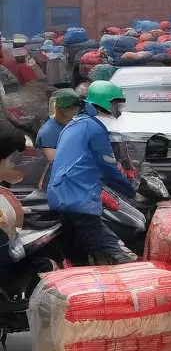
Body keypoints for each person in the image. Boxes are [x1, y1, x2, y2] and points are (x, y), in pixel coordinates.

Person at [47, 80, 137, 264]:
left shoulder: (77, 123)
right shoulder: (94, 128)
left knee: (79, 253)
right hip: (79, 197)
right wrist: (131, 191)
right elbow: (108, 166)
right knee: (114, 249)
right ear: (103, 103)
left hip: (64, 193)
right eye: (115, 103)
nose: (118, 108)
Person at [37, 89, 84, 163]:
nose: (68, 117)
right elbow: (53, 159)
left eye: (71, 114)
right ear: (56, 108)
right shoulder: (48, 132)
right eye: (64, 114)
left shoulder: (76, 122)